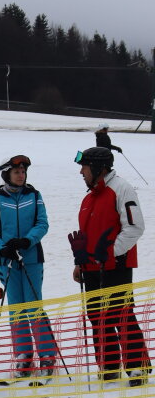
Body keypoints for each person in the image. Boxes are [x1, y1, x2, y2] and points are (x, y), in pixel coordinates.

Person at [69, 147, 150, 385]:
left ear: (99, 168)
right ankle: (108, 364)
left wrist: (111, 252)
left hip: (117, 263)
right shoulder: (90, 196)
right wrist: (80, 261)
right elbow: (85, 233)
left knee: (121, 314)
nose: (81, 172)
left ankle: (137, 368)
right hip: (92, 266)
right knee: (97, 316)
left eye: (84, 167)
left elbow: (135, 227)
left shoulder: (121, 189)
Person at [0, 155, 59, 378]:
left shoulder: (34, 196)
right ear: (7, 174)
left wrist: (28, 240)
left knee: (34, 306)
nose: (20, 175)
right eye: (16, 172)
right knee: (16, 308)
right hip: (8, 262)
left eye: (23, 172)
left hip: (32, 259)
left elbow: (42, 223)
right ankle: (23, 356)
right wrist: (1, 247)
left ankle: (46, 355)